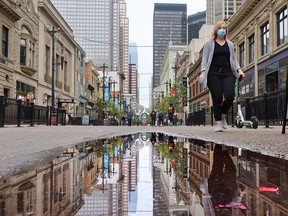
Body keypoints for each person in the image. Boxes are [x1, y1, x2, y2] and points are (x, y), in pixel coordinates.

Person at [199, 20, 245, 132]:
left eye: (224, 28)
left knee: (230, 95)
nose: (222, 30)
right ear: (216, 30)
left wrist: (239, 70)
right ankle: (218, 123)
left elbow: (233, 59)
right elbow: (204, 60)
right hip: (213, 73)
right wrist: (203, 71)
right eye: (220, 28)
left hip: (227, 73)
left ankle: (223, 116)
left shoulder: (230, 44)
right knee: (217, 97)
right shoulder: (209, 44)